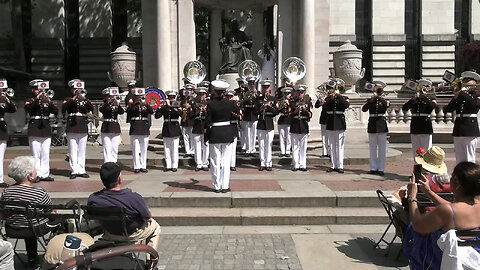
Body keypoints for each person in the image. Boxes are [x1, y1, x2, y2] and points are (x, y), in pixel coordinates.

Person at [403, 161, 480, 269]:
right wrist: (428, 192)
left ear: (457, 184)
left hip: (438, 262)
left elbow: (418, 225)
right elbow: (452, 208)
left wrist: (412, 197)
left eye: (452, 178)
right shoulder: (465, 208)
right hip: (474, 261)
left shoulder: (447, 211)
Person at [87, 162, 161, 266]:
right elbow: (147, 218)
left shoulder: (94, 198)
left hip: (110, 233)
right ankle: (151, 262)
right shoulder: (133, 198)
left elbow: (97, 220)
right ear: (120, 179)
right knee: (155, 227)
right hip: (130, 234)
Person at [1, 156, 61, 267]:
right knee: (58, 219)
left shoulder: (6, 192)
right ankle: (55, 252)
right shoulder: (39, 192)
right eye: (35, 170)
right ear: (30, 175)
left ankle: (32, 258)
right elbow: (51, 211)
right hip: (35, 229)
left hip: (12, 229)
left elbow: (3, 213)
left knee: (29, 221)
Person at [205, 80, 236, 193]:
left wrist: (206, 137)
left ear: (215, 91)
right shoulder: (231, 104)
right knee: (226, 161)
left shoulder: (211, 104)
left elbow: (208, 122)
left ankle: (217, 185)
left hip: (215, 133)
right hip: (227, 132)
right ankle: (225, 186)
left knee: (215, 161)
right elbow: (236, 115)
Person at [443, 71, 480, 164]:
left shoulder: (477, 95)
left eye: (468, 80)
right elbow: (448, 109)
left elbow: (474, 105)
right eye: (464, 80)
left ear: (475, 83)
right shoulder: (460, 95)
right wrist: (455, 98)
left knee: (469, 157)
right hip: (459, 127)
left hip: (469, 128)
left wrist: (463, 93)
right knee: (459, 157)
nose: (465, 82)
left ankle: (470, 177)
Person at [24, 79, 57, 182]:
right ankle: (36, 174)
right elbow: (29, 109)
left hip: (45, 128)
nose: (39, 91)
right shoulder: (30, 100)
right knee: (35, 154)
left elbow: (55, 111)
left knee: (45, 153)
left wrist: (49, 102)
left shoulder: (46, 100)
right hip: (35, 128)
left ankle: (45, 173)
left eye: (40, 90)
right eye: (37, 90)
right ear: (33, 90)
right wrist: (37, 99)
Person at [62, 79, 94, 179]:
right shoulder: (68, 99)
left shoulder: (84, 100)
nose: (77, 90)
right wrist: (74, 98)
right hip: (72, 125)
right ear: (71, 89)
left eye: (79, 88)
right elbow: (64, 108)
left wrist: (84, 98)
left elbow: (91, 108)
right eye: (75, 88)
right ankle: (74, 170)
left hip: (82, 125)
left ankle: (81, 169)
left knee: (82, 149)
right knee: (73, 149)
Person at [402, 79, 437, 161]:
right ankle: (417, 169)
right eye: (422, 86)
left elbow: (432, 107)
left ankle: (426, 170)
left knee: (427, 149)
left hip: (425, 125)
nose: (424, 88)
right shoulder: (415, 99)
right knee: (416, 150)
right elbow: (405, 108)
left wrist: (424, 97)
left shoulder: (431, 98)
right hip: (415, 125)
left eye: (426, 87)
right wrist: (412, 100)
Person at [362, 80, 390, 176]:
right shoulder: (371, 101)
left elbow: (386, 107)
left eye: (379, 89)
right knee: (372, 148)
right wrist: (372, 100)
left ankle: (381, 168)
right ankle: (373, 167)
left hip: (381, 125)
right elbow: (364, 109)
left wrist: (380, 98)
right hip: (372, 125)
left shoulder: (384, 101)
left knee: (382, 148)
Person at [325, 78, 349, 173]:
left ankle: (340, 165)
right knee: (332, 145)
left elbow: (345, 105)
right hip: (331, 122)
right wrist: (330, 98)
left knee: (340, 145)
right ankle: (334, 165)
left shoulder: (344, 98)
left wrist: (338, 96)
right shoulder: (329, 98)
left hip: (340, 123)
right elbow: (325, 107)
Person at [126, 88, 154, 173]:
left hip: (144, 128)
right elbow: (129, 111)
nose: (140, 98)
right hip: (135, 127)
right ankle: (136, 166)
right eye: (138, 97)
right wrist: (135, 103)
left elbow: (151, 111)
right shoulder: (132, 105)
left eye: (141, 97)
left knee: (144, 148)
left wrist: (146, 104)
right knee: (135, 148)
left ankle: (143, 165)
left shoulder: (145, 105)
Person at [155, 91, 182, 172]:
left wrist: (170, 106)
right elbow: (157, 116)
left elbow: (179, 113)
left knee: (174, 148)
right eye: (170, 97)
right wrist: (160, 107)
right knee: (167, 148)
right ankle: (168, 165)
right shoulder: (164, 107)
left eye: (173, 97)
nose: (171, 98)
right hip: (166, 127)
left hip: (175, 127)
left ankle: (175, 165)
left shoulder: (177, 106)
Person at [256, 80, 279, 171]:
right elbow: (255, 112)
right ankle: (262, 163)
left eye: (267, 87)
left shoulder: (273, 99)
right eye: (264, 87)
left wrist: (269, 107)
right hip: (261, 123)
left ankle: (268, 163)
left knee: (269, 144)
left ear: (269, 88)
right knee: (261, 144)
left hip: (269, 124)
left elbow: (276, 112)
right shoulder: (258, 99)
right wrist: (261, 109)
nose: (265, 89)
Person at [289, 84, 312, 171]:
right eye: (298, 92)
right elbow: (289, 115)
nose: (300, 94)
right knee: (295, 146)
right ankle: (296, 164)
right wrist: (295, 111)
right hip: (294, 125)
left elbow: (310, 115)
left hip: (303, 126)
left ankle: (303, 165)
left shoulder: (307, 102)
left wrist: (305, 110)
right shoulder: (292, 102)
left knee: (303, 147)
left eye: (302, 92)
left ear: (304, 93)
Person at [99, 87, 124, 163]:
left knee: (114, 147)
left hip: (115, 127)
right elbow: (102, 110)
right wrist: (108, 103)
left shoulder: (115, 105)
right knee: (107, 147)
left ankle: (114, 162)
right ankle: (107, 163)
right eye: (109, 96)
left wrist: (118, 104)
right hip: (106, 127)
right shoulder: (104, 105)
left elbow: (121, 112)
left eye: (112, 96)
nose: (111, 97)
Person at [0, 79, 17, 187]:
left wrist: (6, 98)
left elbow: (13, 109)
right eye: (1, 90)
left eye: (4, 90)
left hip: (1, 129)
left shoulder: (4, 100)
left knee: (0, 157)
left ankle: (0, 179)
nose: (3, 92)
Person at [192, 87, 210, 171]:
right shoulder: (194, 103)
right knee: (197, 146)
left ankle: (205, 162)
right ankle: (198, 163)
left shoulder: (209, 103)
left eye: (203, 94)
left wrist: (206, 111)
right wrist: (197, 111)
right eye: (200, 94)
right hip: (197, 126)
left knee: (206, 145)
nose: (202, 96)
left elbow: (210, 115)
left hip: (205, 126)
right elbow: (190, 115)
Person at [241, 77, 260, 156]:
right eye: (250, 84)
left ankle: (253, 149)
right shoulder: (244, 92)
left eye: (252, 84)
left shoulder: (258, 93)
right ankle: (248, 149)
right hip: (247, 114)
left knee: (253, 133)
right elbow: (241, 103)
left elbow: (260, 102)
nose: (251, 85)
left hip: (254, 115)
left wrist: (256, 94)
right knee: (247, 133)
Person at [226, 89, 241, 171]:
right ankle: (226, 163)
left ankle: (232, 164)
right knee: (226, 147)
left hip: (233, 125)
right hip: (226, 126)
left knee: (233, 147)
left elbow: (239, 116)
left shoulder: (235, 106)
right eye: (227, 96)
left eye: (230, 97)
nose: (229, 98)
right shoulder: (223, 105)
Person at [314, 82, 330, 158]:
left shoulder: (333, 97)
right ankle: (325, 152)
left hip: (331, 118)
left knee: (330, 136)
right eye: (327, 88)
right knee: (324, 136)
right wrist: (320, 102)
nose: (328, 90)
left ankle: (330, 152)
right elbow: (316, 106)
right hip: (324, 118)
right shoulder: (323, 97)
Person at [180, 84, 196, 158]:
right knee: (185, 136)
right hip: (184, 120)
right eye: (187, 90)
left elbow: (195, 110)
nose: (188, 92)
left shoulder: (194, 100)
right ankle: (188, 151)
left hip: (191, 120)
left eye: (189, 90)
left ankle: (192, 150)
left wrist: (190, 107)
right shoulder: (182, 100)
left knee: (192, 136)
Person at [277, 87, 293, 157]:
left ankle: (288, 151)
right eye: (285, 93)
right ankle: (282, 151)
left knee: (288, 136)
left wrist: (289, 103)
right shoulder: (280, 101)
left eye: (288, 93)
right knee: (282, 136)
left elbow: (293, 108)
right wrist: (283, 104)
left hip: (289, 119)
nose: (286, 95)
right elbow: (278, 110)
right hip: (282, 119)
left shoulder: (292, 101)